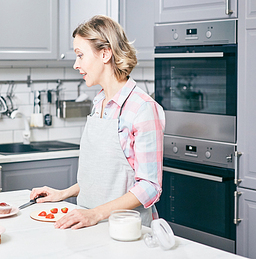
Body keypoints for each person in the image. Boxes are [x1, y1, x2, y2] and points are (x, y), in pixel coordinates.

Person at [30, 15, 165, 229]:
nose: (76, 64)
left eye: (80, 55)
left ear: (105, 53)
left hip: (125, 232)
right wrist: (63, 193)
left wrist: (94, 214)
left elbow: (149, 187)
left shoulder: (142, 108)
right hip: (89, 226)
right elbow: (102, 175)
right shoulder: (99, 102)